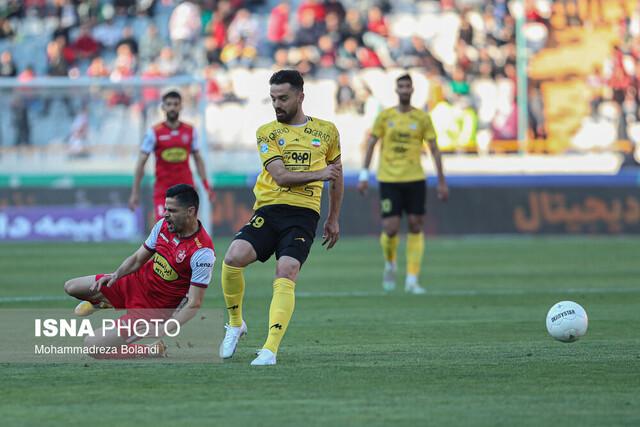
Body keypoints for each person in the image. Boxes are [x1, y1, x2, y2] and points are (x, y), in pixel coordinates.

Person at [219, 70, 343, 366]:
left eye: (283, 98)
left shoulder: (327, 131)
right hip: (269, 209)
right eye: (273, 99)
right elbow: (281, 177)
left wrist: (333, 217)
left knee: (286, 270)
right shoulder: (267, 132)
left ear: (301, 96)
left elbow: (337, 178)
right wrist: (321, 173)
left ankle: (270, 350)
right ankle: (235, 324)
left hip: (303, 214)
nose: (277, 104)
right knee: (234, 257)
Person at [64, 184, 215, 358]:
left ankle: (150, 350)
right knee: (71, 287)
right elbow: (137, 259)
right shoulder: (163, 226)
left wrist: (163, 328)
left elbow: (194, 303)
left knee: (92, 346)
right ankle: (105, 302)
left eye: (172, 210)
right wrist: (116, 275)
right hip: (134, 283)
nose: (165, 214)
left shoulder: (202, 252)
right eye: (166, 209)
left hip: (152, 310)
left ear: (190, 211)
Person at [357, 74, 448, 294]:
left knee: (416, 224)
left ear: (412, 90)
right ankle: (390, 263)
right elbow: (371, 144)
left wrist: (441, 181)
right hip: (389, 179)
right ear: (396, 90)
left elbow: (434, 149)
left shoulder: (422, 118)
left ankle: (412, 279)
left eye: (408, 86)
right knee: (390, 228)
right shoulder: (385, 116)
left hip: (415, 178)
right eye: (401, 86)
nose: (405, 90)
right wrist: (363, 175)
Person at [129, 90, 214, 221]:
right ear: (163, 107)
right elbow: (141, 163)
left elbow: (198, 159)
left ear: (181, 106)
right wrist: (135, 192)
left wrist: (206, 185)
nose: (172, 107)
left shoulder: (190, 131)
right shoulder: (154, 132)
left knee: (188, 227)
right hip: (163, 191)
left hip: (186, 190)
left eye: (175, 104)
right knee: (164, 226)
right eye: (169, 104)